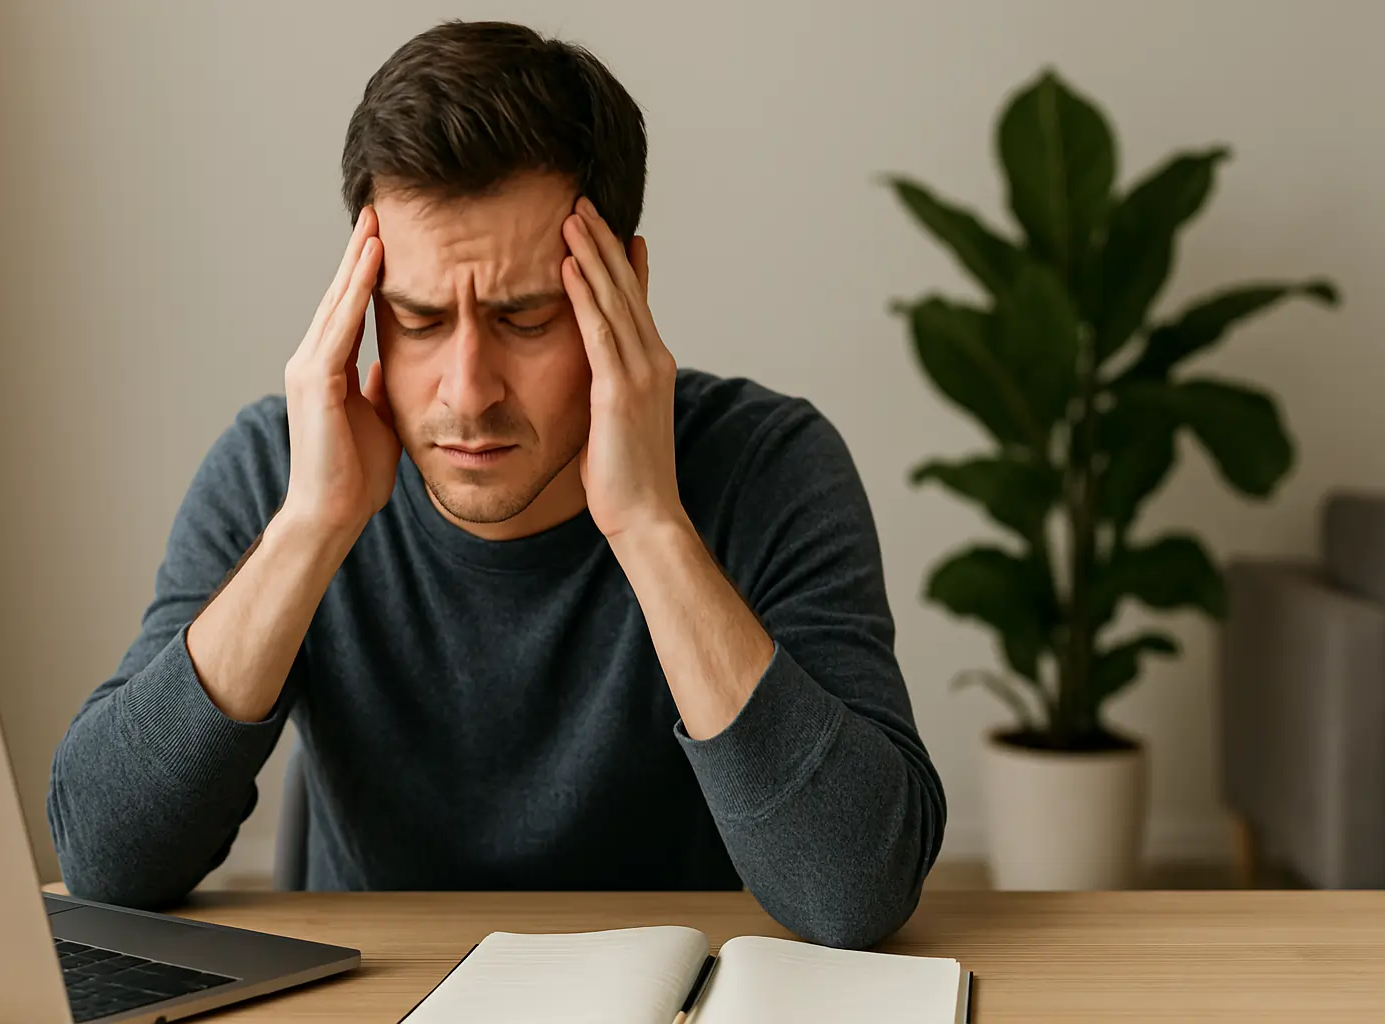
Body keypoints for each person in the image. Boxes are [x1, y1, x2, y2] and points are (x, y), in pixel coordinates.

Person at [47, 19, 945, 950]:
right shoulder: (281, 473)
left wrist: (648, 526)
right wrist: (311, 527)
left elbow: (857, 891)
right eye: (419, 319)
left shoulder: (769, 466)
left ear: (625, 292)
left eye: (525, 318)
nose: (468, 392)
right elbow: (106, 862)